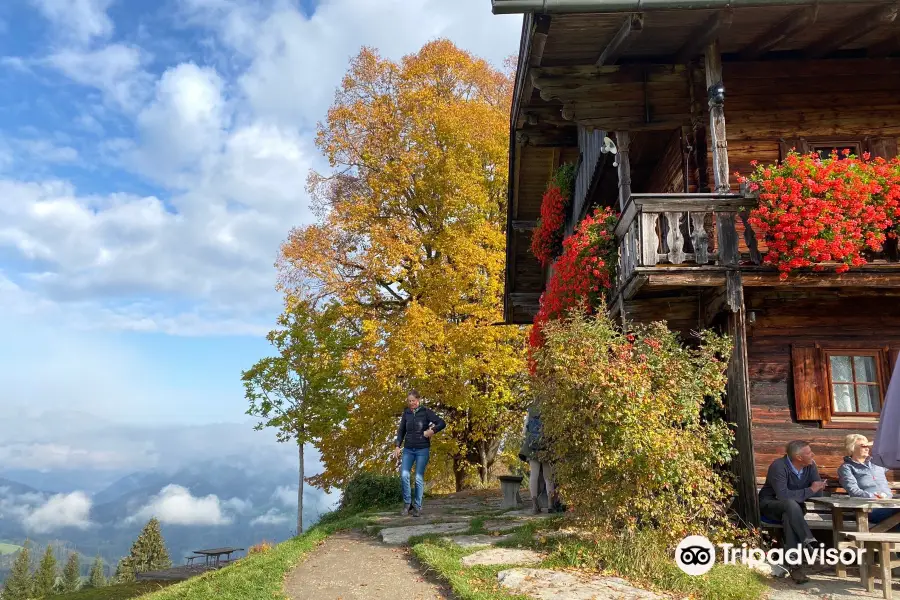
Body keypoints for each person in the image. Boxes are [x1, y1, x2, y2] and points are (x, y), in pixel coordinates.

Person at [758, 440, 827, 584]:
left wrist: (811, 490)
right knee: (789, 504)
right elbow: (783, 496)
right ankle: (808, 541)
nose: (812, 454)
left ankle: (796, 566)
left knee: (789, 515)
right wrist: (809, 490)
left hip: (794, 510)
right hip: (770, 506)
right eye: (809, 453)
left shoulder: (810, 466)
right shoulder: (779, 466)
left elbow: (817, 493)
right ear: (798, 457)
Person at [392, 389, 445, 517]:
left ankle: (418, 505)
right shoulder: (406, 413)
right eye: (409, 401)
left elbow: (442, 423)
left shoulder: (426, 412)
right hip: (409, 449)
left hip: (422, 449)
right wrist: (397, 446)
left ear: (418, 400)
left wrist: (432, 431)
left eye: (413, 401)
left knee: (418, 478)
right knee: (404, 475)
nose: (411, 403)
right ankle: (407, 504)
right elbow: (401, 431)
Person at [837, 434, 898, 526]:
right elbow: (853, 491)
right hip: (869, 508)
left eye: (868, 446)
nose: (867, 448)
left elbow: (893, 460)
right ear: (852, 448)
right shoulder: (847, 468)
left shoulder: (877, 463)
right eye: (863, 446)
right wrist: (872, 496)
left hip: (890, 504)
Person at [518, 404, 556, 514]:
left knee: (533, 475)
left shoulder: (531, 409)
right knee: (548, 476)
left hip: (532, 447)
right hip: (546, 447)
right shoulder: (551, 408)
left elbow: (524, 431)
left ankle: (535, 506)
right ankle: (550, 504)